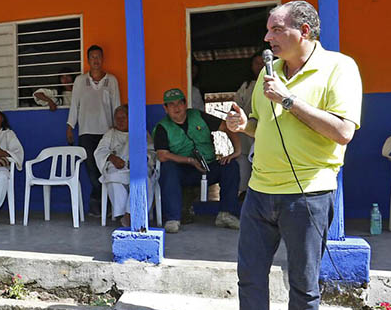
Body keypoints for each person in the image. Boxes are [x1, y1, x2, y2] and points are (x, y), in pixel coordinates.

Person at [226, 1, 362, 310]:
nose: (267, 36)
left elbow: (343, 131)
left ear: (303, 31)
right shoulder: (267, 73)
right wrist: (244, 125)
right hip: (259, 192)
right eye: (268, 29)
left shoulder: (339, 68)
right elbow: (263, 125)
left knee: (303, 285)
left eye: (276, 29)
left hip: (308, 195)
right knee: (250, 279)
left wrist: (289, 100)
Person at [154, 88, 242, 233]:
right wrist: (189, 160)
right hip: (183, 170)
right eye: (171, 105)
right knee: (168, 168)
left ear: (185, 104)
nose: (176, 108)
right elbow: (162, 155)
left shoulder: (198, 116)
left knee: (230, 166)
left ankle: (226, 214)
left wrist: (236, 151)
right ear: (165, 108)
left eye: (179, 103)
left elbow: (226, 127)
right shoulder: (162, 127)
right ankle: (173, 219)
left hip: (208, 167)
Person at [66, 45, 121, 215]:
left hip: (107, 132)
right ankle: (101, 202)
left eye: (98, 57)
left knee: (107, 167)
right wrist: (70, 126)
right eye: (92, 57)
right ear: (88, 60)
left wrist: (118, 128)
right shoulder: (80, 81)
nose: (96, 60)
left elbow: (117, 105)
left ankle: (99, 204)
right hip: (86, 132)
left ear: (102, 59)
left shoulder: (111, 80)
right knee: (92, 169)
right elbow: (74, 105)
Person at [93, 105, 133, 227]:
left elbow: (150, 152)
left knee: (143, 180)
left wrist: (140, 160)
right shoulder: (111, 134)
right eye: (117, 118)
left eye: (123, 117)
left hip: (133, 169)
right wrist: (112, 157)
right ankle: (123, 215)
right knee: (112, 177)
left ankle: (130, 213)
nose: (120, 121)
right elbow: (100, 151)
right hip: (117, 168)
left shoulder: (140, 131)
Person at [233, 52, 266, 196]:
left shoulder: (275, 84)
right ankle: (244, 192)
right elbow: (236, 106)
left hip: (266, 132)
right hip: (246, 134)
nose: (260, 66)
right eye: (257, 63)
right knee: (244, 165)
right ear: (251, 66)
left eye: (263, 62)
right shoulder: (246, 86)